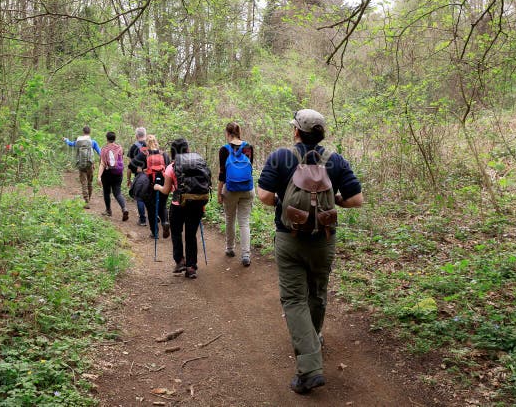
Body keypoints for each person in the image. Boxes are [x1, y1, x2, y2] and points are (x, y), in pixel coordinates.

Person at [257, 109, 363, 395]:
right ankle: (313, 338)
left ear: (296, 132)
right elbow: (357, 199)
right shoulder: (336, 160)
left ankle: (310, 368)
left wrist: (285, 201)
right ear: (321, 134)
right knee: (316, 292)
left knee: (293, 299)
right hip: (324, 240)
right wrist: (335, 201)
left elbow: (265, 196)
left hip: (289, 238)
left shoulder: (280, 157)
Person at [154, 138, 209, 279]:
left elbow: (166, 190)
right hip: (196, 203)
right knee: (191, 235)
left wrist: (157, 186)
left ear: (173, 152)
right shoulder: (198, 163)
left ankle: (180, 261)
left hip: (178, 205)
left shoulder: (171, 167)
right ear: (187, 149)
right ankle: (191, 267)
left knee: (177, 233)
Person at [218, 122, 255, 267]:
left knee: (230, 218)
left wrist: (220, 192)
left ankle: (230, 248)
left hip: (231, 189)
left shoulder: (224, 149)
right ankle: (246, 254)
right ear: (239, 132)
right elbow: (249, 168)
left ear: (227, 133)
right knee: (244, 221)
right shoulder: (248, 147)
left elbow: (222, 174)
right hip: (247, 188)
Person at [130, 134, 169, 238]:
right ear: (156, 141)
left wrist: (141, 170)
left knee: (151, 209)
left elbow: (131, 165)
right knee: (163, 205)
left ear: (146, 143)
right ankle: (165, 221)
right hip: (163, 183)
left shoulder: (144, 153)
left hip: (149, 185)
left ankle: (155, 233)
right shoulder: (163, 153)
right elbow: (169, 167)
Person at [64, 126, 101, 208]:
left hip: (81, 164)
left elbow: (70, 143)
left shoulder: (78, 142)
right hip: (90, 164)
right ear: (89, 132)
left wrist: (66, 140)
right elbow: (100, 152)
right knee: (89, 182)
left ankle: (86, 201)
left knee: (83, 182)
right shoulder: (93, 142)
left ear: (83, 132)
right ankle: (89, 198)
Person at [97, 131, 129, 221]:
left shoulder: (104, 149)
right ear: (114, 138)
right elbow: (121, 159)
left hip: (107, 173)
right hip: (118, 173)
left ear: (106, 138)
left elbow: (102, 164)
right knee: (117, 193)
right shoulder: (119, 148)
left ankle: (108, 210)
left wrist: (99, 176)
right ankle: (124, 208)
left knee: (106, 192)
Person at [126, 127, 148, 226]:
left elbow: (130, 166)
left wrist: (128, 179)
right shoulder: (150, 145)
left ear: (136, 136)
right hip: (151, 174)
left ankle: (142, 219)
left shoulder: (133, 147)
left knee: (140, 197)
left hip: (139, 176)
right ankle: (155, 215)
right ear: (145, 135)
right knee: (150, 196)